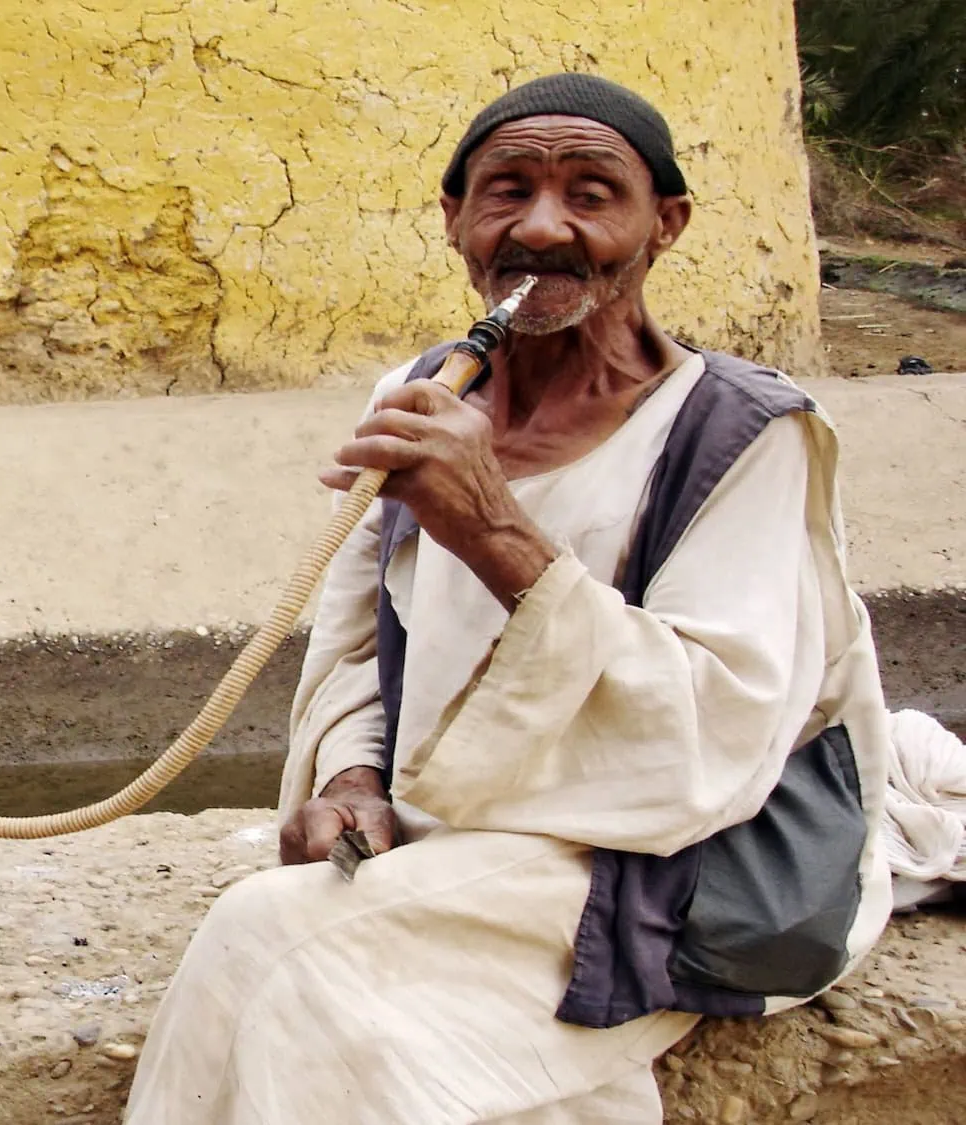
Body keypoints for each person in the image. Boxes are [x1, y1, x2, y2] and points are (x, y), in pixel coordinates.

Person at [125, 73, 894, 1124]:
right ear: (454, 221)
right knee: (271, 948)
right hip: (457, 841)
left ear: (661, 225)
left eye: (589, 194)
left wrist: (492, 528)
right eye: (506, 192)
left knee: (273, 944)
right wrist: (351, 779)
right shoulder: (427, 394)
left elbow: (712, 737)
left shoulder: (743, 435)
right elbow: (362, 649)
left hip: (676, 859)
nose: (541, 226)